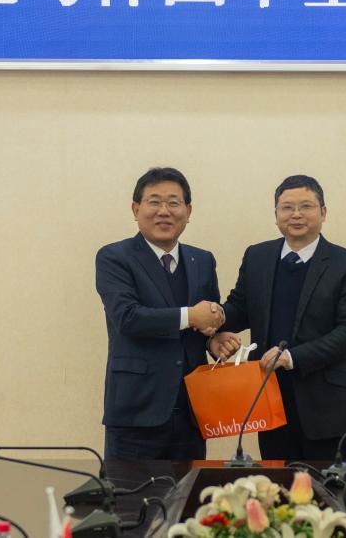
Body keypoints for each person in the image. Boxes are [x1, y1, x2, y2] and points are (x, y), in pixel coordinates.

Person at [221, 174, 346, 461]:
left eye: (306, 206)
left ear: (323, 212)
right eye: (287, 207)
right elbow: (239, 308)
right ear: (276, 214)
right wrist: (214, 319)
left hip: (329, 408)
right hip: (271, 403)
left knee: (331, 487)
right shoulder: (257, 256)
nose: (296, 214)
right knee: (278, 484)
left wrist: (292, 357)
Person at [96, 167, 239, 459]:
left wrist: (213, 340)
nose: (164, 211)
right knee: (131, 490)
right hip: (136, 411)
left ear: (188, 211)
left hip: (192, 412)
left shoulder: (203, 260)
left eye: (174, 203)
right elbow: (127, 317)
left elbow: (205, 322)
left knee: (189, 488)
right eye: (154, 202)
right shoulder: (114, 257)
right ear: (136, 209)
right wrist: (191, 316)